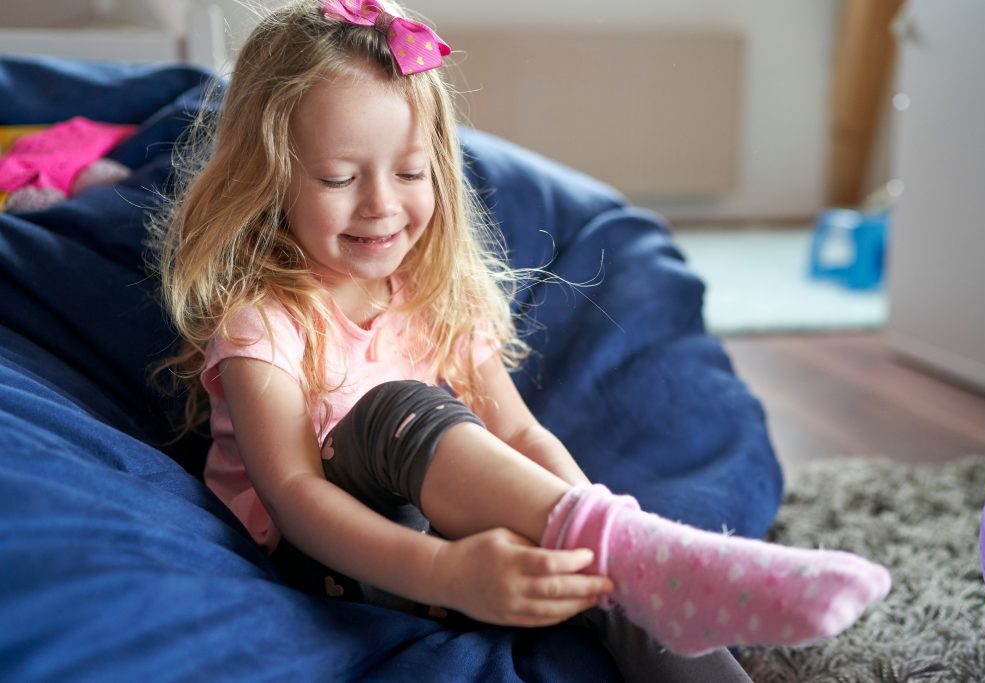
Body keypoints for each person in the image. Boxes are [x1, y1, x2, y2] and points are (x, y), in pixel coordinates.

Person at [152, 0, 890, 680]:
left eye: (410, 171)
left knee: (617, 581)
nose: (381, 204)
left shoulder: (432, 297)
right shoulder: (265, 316)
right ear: (272, 177)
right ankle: (629, 547)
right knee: (396, 410)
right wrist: (447, 573)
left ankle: (651, 561)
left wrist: (592, 523)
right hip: (326, 564)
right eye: (340, 177)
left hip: (453, 546)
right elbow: (294, 496)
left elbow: (519, 432)